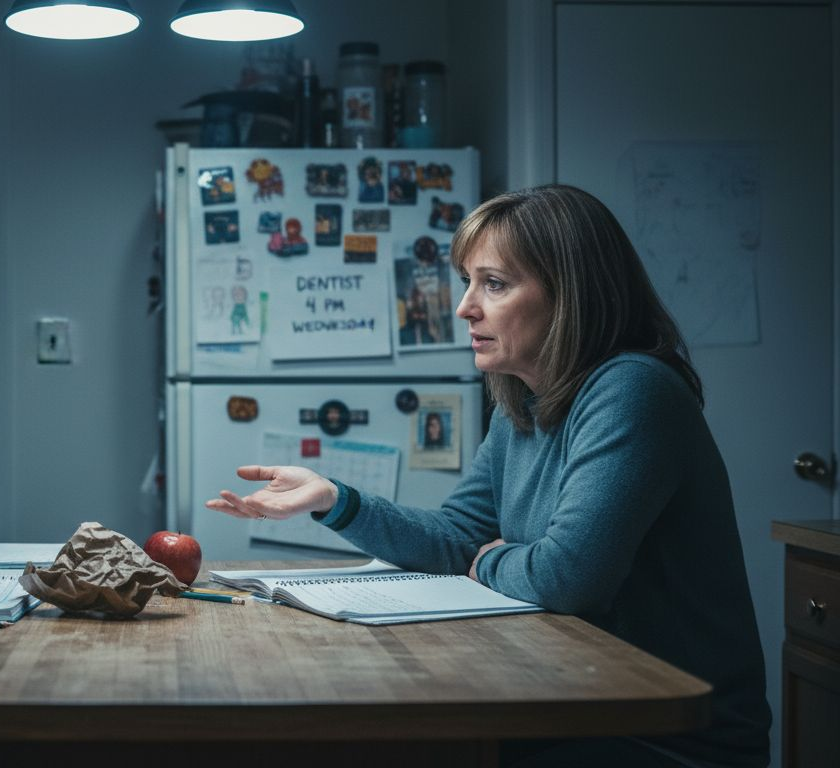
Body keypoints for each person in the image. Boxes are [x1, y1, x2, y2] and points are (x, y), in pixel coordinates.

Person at [207, 185, 770, 768]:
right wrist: (333, 499)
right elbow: (459, 537)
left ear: (570, 295)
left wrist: (490, 560)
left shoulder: (632, 390)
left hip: (660, 738)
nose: (464, 307)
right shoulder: (521, 402)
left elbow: (567, 577)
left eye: (494, 284)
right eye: (467, 281)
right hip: (568, 706)